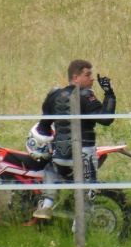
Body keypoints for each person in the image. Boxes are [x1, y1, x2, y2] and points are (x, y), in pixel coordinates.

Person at [33, 59, 116, 219]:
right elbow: (106, 120)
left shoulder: (54, 96)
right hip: (83, 154)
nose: (92, 78)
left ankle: (46, 205)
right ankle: (79, 224)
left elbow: (43, 127)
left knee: (51, 168)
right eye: (88, 75)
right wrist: (109, 94)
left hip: (61, 157)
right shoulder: (85, 96)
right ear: (75, 78)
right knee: (89, 189)